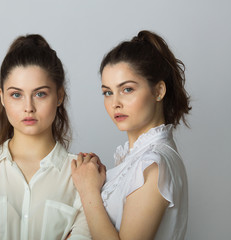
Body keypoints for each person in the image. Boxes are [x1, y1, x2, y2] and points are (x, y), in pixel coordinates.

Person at [0, 34, 91, 240]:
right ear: (2, 97)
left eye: (40, 94)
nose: (28, 107)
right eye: (16, 94)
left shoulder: (83, 176)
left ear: (59, 96)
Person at [71, 30, 191, 240]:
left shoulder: (152, 164)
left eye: (127, 89)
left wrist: (88, 191)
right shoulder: (138, 158)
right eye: (108, 92)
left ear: (158, 91)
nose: (115, 102)